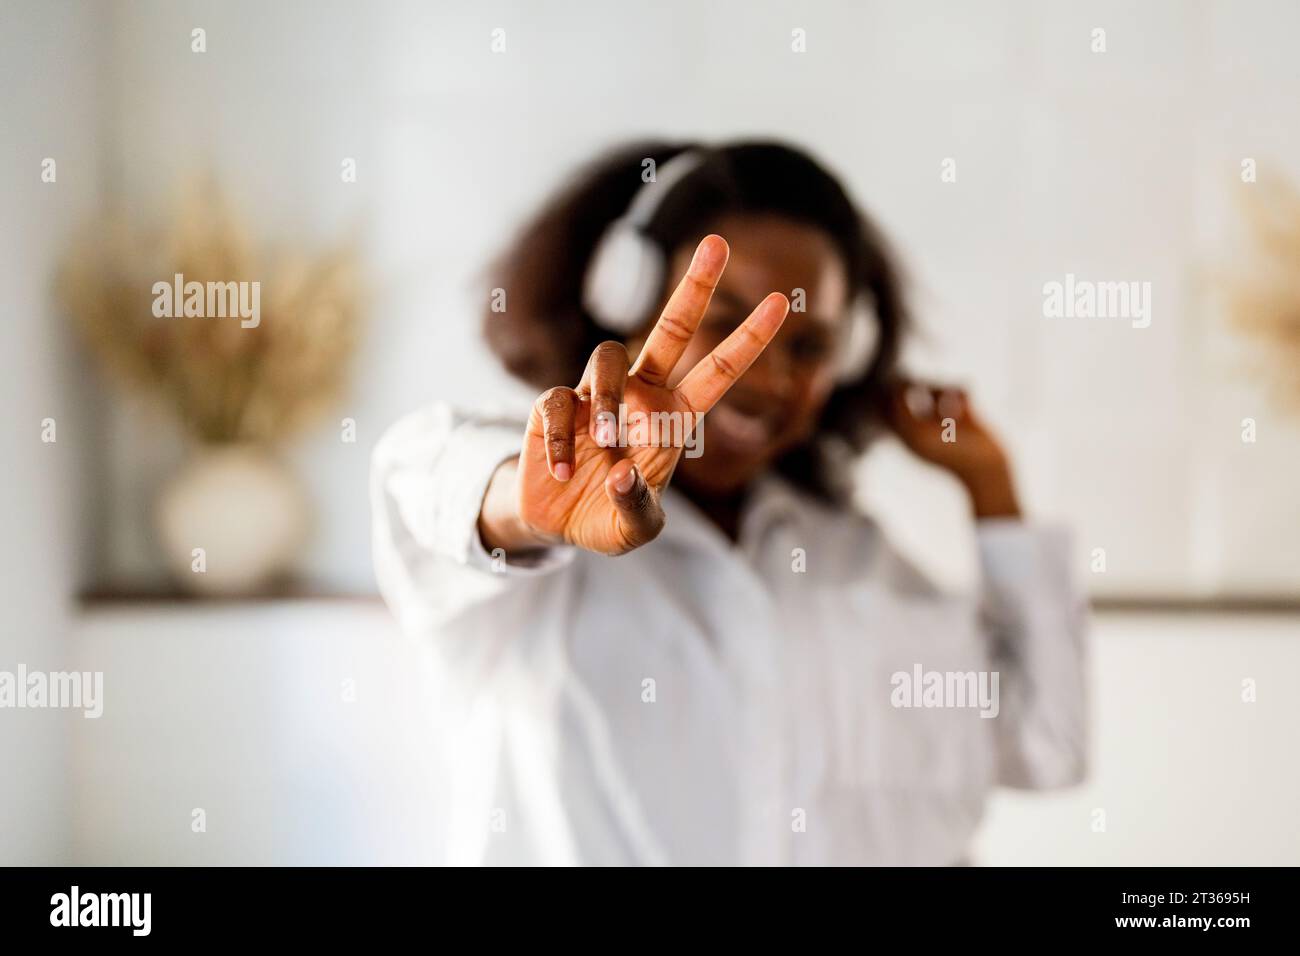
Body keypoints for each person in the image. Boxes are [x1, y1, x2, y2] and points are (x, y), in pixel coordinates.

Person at [371, 140, 1087, 865]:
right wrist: (529, 507)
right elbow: (427, 482)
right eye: (727, 324)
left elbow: (1047, 747)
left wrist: (990, 488)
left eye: (808, 346)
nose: (766, 376)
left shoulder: (860, 562)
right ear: (626, 308)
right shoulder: (524, 568)